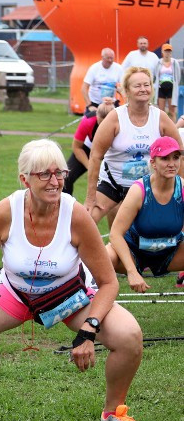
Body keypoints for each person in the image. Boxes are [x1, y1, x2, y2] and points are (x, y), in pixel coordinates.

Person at [0, 139, 150, 421]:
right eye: (44, 174)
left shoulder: (76, 215)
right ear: (24, 179)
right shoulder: (6, 211)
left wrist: (89, 330)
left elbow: (108, 282)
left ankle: (114, 414)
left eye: (60, 173)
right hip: (15, 294)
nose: (54, 182)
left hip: (68, 296)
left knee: (129, 335)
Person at [85, 68, 183, 225]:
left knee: (164, 226)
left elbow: (180, 152)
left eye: (146, 85)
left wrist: (179, 191)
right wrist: (91, 198)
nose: (143, 89)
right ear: (127, 90)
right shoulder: (115, 118)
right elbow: (95, 156)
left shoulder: (160, 117)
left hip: (147, 187)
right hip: (112, 184)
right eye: (137, 86)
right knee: (86, 220)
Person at [106, 136, 183, 292]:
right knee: (105, 257)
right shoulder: (138, 190)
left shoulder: (182, 188)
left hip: (171, 253)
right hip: (134, 252)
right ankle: (96, 304)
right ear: (153, 163)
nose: (172, 163)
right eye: (165, 158)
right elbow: (115, 234)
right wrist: (131, 271)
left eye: (176, 157)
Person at [63, 102, 114, 197]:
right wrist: (90, 166)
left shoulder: (119, 122)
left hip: (111, 151)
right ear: (96, 114)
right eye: (100, 122)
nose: (102, 127)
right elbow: (77, 147)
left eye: (106, 123)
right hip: (88, 148)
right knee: (66, 177)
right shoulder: (88, 120)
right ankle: (67, 203)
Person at [154, 44, 180, 119]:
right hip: (161, 88)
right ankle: (161, 125)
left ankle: (173, 125)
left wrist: (175, 85)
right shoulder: (158, 63)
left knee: (172, 111)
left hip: (171, 89)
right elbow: (156, 75)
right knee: (161, 111)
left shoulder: (174, 63)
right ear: (162, 52)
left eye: (169, 51)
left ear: (171, 53)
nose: (167, 53)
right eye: (166, 51)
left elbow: (178, 76)